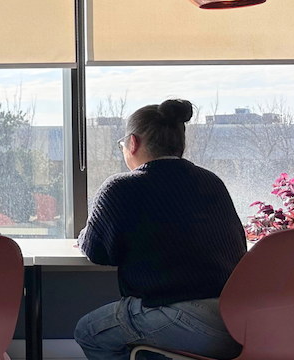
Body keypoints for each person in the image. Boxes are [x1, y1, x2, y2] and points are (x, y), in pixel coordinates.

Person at [75, 99, 246, 360]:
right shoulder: (212, 182)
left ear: (132, 143)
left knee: (89, 331)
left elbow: (98, 252)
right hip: (242, 319)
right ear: (181, 143)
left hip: (188, 320)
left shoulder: (121, 188)